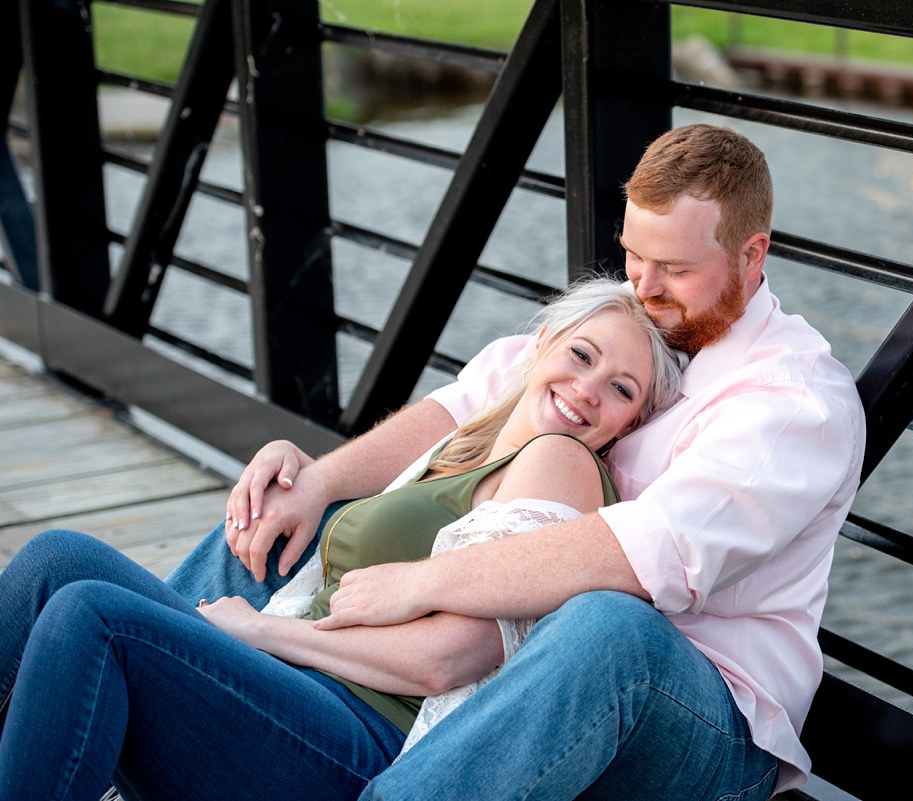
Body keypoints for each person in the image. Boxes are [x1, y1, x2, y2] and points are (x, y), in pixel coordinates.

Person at [170, 123, 867, 800]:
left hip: (697, 717)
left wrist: (424, 581)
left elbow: (651, 555)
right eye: (633, 255)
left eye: (677, 269)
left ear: (752, 256)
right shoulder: (638, 318)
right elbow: (471, 402)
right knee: (284, 507)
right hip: (521, 668)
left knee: (607, 629)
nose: (644, 288)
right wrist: (316, 478)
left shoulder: (792, 402)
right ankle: (159, 671)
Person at [0, 279, 684, 801]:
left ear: (629, 424)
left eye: (621, 388)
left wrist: (265, 634)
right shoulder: (468, 446)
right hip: (295, 692)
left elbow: (449, 659)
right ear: (539, 347)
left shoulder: (560, 463)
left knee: (90, 616)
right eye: (581, 354)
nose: (588, 389)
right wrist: (300, 464)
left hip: (359, 739)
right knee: (56, 560)